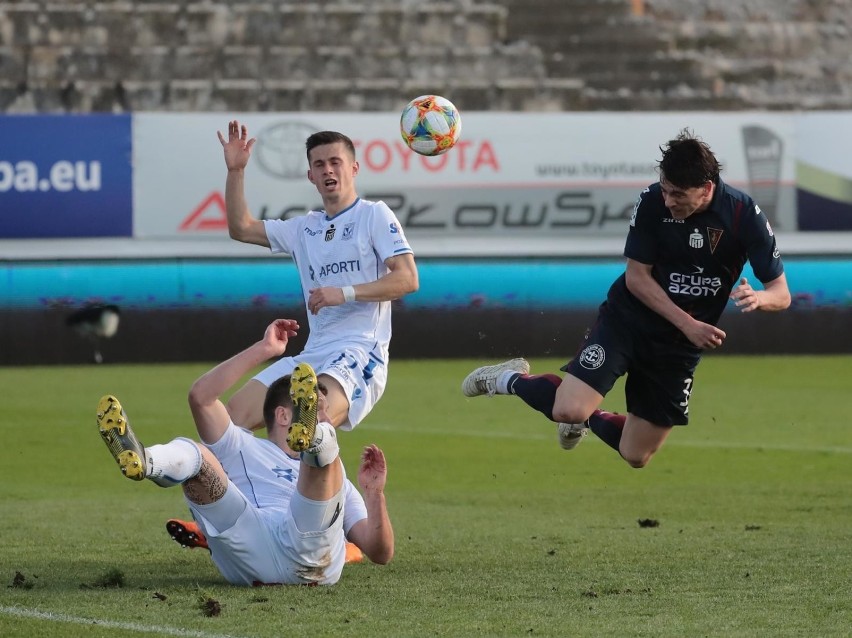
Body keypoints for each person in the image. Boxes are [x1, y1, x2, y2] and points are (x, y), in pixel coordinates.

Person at [462, 129, 792, 469]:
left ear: (706, 189)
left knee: (636, 454)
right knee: (567, 408)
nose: (668, 201)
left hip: (677, 346)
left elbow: (781, 294)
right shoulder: (652, 202)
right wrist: (689, 323)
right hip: (629, 321)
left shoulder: (743, 215)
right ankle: (507, 379)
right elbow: (637, 278)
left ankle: (588, 418)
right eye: (665, 190)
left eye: (677, 194)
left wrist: (760, 299)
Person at [96, 318, 394, 586]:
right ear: (283, 416)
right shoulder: (241, 444)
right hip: (252, 543)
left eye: (316, 410)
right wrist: (264, 349)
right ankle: (145, 461)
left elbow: (380, 552)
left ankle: (314, 441)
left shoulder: (336, 478)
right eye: (316, 410)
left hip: (308, 554)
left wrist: (374, 494)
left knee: (325, 453)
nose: (330, 418)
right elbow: (201, 398)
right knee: (195, 454)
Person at [217, 121, 419, 438]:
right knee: (229, 422)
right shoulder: (303, 228)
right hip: (313, 354)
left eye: (335, 162)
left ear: (354, 168)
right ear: (311, 175)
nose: (328, 171)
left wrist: (345, 293)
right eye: (319, 164)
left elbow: (407, 279)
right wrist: (236, 171)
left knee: (310, 420)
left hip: (359, 353)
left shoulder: (373, 215)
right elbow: (241, 228)